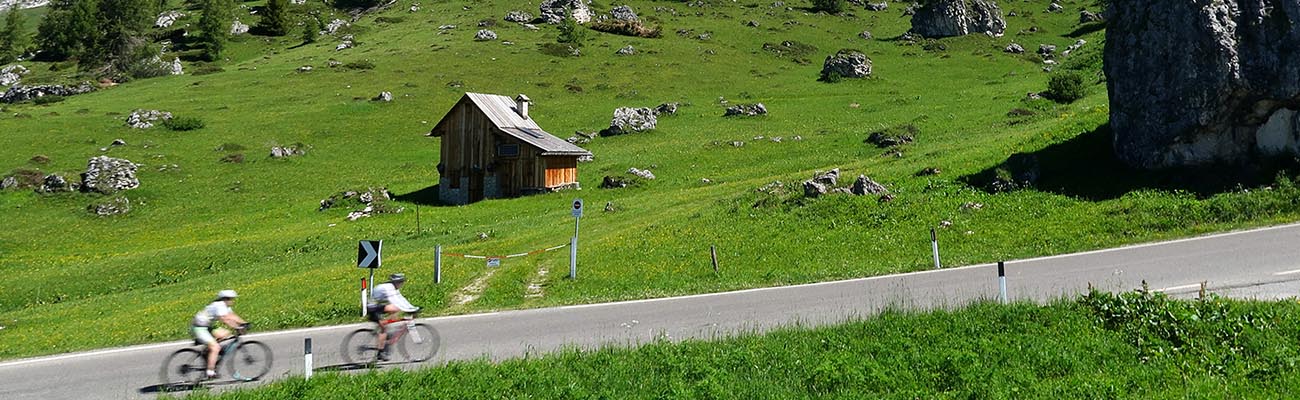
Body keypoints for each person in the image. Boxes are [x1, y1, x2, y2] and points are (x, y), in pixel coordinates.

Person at [191, 289, 247, 380]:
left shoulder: (225, 306)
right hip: (199, 327)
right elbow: (224, 318)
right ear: (226, 299)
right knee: (215, 347)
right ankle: (210, 372)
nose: (232, 301)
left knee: (226, 334)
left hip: (207, 326)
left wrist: (244, 323)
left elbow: (231, 316)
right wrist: (237, 327)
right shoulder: (219, 305)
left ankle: (208, 352)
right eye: (231, 299)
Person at [367, 273, 420, 361]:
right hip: (372, 308)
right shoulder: (388, 288)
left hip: (378, 306)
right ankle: (381, 352)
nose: (401, 284)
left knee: (395, 309)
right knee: (384, 328)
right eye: (401, 282)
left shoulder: (393, 287)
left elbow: (401, 299)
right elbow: (394, 301)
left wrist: (412, 308)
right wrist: (410, 310)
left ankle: (386, 327)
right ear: (396, 282)